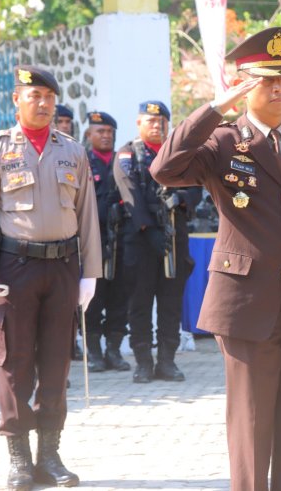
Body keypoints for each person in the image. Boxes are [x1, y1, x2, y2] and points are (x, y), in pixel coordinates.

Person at [152, 27, 281, 491]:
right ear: (243, 83)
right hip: (247, 304)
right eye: (266, 79)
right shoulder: (225, 140)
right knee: (251, 427)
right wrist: (213, 110)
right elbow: (165, 168)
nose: (279, 87)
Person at [0, 65, 101, 490]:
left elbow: (88, 216)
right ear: (17, 100)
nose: (42, 104)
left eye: (48, 96)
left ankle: (50, 455)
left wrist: (90, 274)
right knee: (14, 363)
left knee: (57, 362)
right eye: (34, 95)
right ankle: (19, 458)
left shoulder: (72, 151)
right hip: (13, 268)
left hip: (62, 268)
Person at [113, 100, 199, 384]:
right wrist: (148, 228)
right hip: (140, 240)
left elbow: (196, 186)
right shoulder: (128, 153)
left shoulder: (178, 154)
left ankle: (167, 361)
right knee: (139, 304)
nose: (156, 125)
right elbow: (130, 194)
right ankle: (143, 363)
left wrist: (182, 199)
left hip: (174, 234)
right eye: (150, 121)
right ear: (139, 123)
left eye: (161, 121)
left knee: (170, 303)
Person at [83, 111, 130, 372]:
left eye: (110, 132)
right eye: (100, 131)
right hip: (93, 241)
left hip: (120, 240)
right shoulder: (83, 161)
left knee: (119, 298)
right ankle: (94, 353)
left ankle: (114, 351)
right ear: (89, 135)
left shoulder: (121, 161)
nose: (106, 136)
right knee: (94, 299)